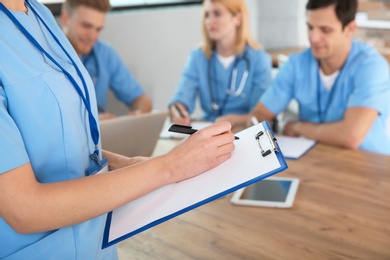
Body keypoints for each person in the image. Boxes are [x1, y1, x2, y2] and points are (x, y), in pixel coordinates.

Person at [0, 0, 235, 258]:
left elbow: (59, 143)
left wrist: (126, 163)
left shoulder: (38, 13)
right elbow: (24, 209)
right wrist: (170, 166)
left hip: (97, 239)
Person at [251, 0, 390, 155]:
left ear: (350, 29)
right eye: (310, 27)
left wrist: (297, 127)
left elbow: (350, 136)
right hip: (315, 161)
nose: (313, 38)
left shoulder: (371, 66)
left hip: (370, 166)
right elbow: (260, 114)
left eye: (325, 30)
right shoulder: (297, 63)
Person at [169, 0, 272, 131]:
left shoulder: (259, 59)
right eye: (207, 15)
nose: (209, 21)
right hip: (207, 130)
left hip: (243, 132)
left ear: (237, 19)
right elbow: (182, 97)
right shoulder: (198, 57)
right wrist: (178, 111)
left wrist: (234, 120)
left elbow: (262, 114)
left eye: (217, 14)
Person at [61, 0, 152, 120]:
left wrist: (137, 114)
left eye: (98, 29)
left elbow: (142, 100)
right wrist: (92, 122)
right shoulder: (42, 58)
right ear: (65, 19)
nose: (92, 36)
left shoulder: (104, 53)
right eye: (86, 26)